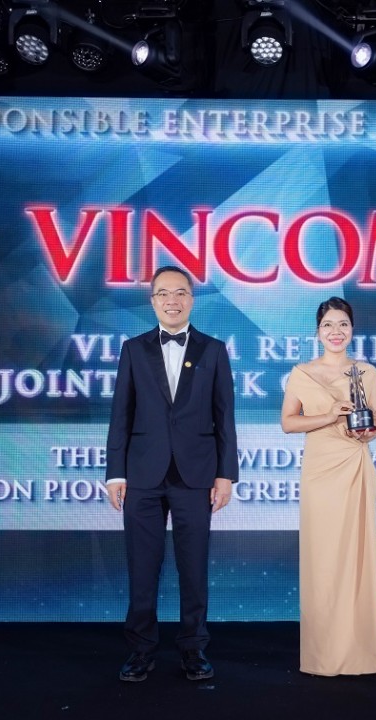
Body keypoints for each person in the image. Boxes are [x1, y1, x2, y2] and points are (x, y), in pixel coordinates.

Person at [105, 266, 239, 682]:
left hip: (196, 475)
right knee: (142, 567)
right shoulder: (133, 349)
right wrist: (115, 474)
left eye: (180, 293)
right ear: (152, 301)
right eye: (163, 293)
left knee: (193, 568)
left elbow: (224, 416)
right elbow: (121, 414)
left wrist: (226, 475)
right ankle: (140, 650)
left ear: (192, 300)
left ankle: (194, 649)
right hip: (142, 474)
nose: (172, 300)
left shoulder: (213, 350)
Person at [281, 297, 376, 676]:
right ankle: (323, 652)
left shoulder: (367, 373)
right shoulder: (302, 373)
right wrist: (328, 416)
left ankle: (359, 650)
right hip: (319, 472)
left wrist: (366, 432)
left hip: (354, 466)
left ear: (352, 330)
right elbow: (288, 422)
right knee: (322, 558)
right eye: (328, 325)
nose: (336, 331)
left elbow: (375, 424)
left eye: (343, 324)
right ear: (317, 332)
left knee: (357, 556)